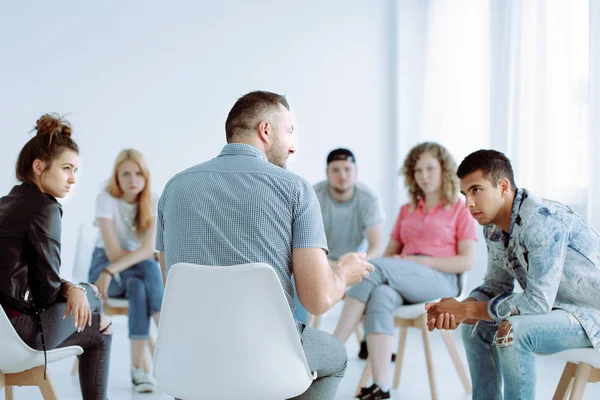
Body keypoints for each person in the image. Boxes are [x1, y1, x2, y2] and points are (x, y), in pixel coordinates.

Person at [156, 90, 374, 400]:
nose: (292, 145)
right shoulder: (295, 189)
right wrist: (343, 273)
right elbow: (317, 299)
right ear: (265, 130)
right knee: (336, 356)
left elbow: (173, 283)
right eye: (289, 132)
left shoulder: (174, 188)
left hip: (189, 362)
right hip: (266, 360)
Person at [425, 149, 600, 400]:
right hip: (561, 310)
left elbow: (538, 302)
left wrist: (468, 310)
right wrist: (462, 308)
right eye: (464, 194)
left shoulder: (541, 221)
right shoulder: (493, 228)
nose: (468, 203)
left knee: (512, 332)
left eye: (476, 190)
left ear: (503, 186)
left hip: (592, 316)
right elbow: (496, 285)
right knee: (475, 328)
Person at [333, 142, 477, 400]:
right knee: (381, 295)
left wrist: (420, 262)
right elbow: (389, 255)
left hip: (442, 280)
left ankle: (332, 350)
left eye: (430, 168)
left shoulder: (459, 208)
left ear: (444, 169)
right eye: (418, 170)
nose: (424, 176)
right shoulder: (406, 210)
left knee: (375, 271)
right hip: (403, 277)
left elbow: (466, 262)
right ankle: (380, 387)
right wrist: (401, 265)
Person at [0, 114, 112, 400]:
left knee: (93, 313)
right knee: (97, 309)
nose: (73, 178)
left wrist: (70, 288)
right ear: (39, 166)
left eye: (75, 170)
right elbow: (46, 293)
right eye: (66, 168)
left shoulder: (6, 203)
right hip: (19, 334)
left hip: (3, 329)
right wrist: (79, 290)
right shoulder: (45, 208)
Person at [88, 149, 164, 393]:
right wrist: (108, 272)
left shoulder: (153, 200)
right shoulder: (106, 199)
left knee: (139, 286)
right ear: (117, 177)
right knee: (149, 266)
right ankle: (169, 335)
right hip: (105, 265)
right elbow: (113, 253)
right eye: (126, 174)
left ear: (146, 177)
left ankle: (137, 371)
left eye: (138, 174)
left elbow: (147, 250)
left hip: (123, 271)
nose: (133, 180)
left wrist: (114, 270)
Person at [309, 148, 384, 357]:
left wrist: (356, 263)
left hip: (354, 260)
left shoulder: (368, 199)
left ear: (356, 171)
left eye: (347, 169)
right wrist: (328, 264)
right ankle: (301, 340)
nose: (342, 175)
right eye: (336, 170)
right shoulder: (313, 196)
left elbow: (376, 246)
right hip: (321, 261)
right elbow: (303, 242)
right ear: (327, 172)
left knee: (373, 282)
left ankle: (370, 342)